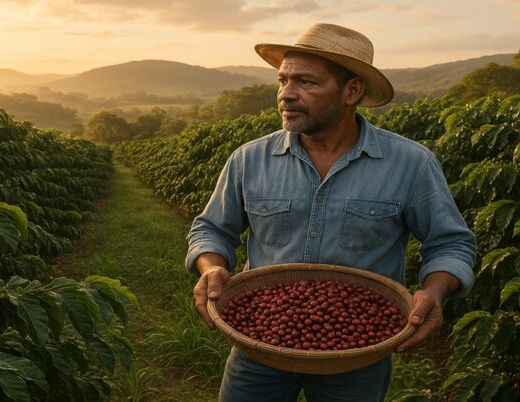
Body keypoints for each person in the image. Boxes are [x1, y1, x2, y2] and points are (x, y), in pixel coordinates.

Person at [186, 23, 477, 402]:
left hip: (358, 354)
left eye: (306, 82)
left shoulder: (411, 163)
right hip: (260, 342)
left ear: (351, 91)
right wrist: (212, 268)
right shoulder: (249, 159)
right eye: (282, 80)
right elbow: (211, 229)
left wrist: (435, 293)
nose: (286, 94)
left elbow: (450, 243)